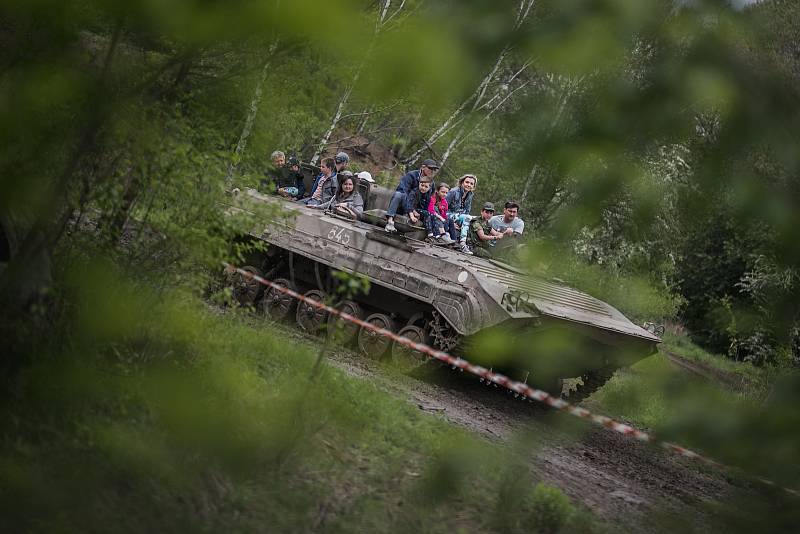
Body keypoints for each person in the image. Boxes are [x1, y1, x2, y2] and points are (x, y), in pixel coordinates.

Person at [384, 158, 439, 232]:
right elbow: (403, 190)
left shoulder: (431, 183)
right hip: (406, 204)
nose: (432, 171)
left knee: (434, 209)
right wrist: (412, 209)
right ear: (423, 167)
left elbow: (428, 199)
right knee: (398, 194)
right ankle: (390, 221)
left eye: (434, 169)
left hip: (419, 208)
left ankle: (434, 234)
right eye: (430, 168)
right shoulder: (411, 175)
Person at [446, 174, 477, 254]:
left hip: (460, 217)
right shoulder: (453, 192)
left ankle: (471, 244)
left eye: (471, 184)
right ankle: (463, 243)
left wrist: (460, 221)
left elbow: (467, 211)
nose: (468, 185)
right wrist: (450, 222)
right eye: (467, 182)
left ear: (473, 186)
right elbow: (443, 207)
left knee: (475, 219)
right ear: (462, 182)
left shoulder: (470, 195)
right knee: (467, 217)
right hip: (448, 214)